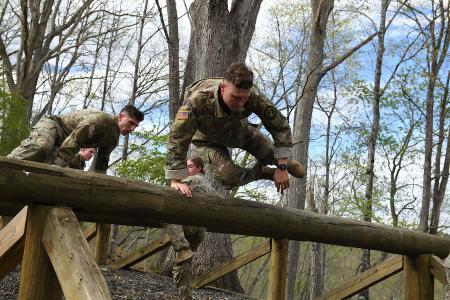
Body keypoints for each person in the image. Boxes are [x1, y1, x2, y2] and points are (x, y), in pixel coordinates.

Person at [166, 62, 305, 197]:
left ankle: (285, 162)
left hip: (239, 131)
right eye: (236, 97)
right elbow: (178, 137)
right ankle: (261, 172)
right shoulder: (196, 102)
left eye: (245, 98)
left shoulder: (254, 97)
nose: (241, 103)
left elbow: (279, 125)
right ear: (223, 88)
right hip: (207, 141)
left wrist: (282, 167)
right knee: (229, 176)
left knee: (271, 154)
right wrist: (176, 180)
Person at [8, 105, 144, 173]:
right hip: (55, 126)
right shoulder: (99, 121)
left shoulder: (113, 139)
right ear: (120, 117)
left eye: (135, 126)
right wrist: (53, 171)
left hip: (64, 140)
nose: (132, 128)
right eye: (131, 123)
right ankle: (6, 166)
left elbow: (101, 166)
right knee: (42, 147)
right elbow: (72, 143)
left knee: (47, 163)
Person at [167, 156, 212, 300]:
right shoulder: (210, 186)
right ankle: (186, 297)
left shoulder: (195, 180)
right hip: (201, 230)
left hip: (189, 225)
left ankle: (181, 247)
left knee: (162, 210)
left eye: (190, 166)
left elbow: (171, 193)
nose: (187, 169)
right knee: (184, 262)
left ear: (199, 168)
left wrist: (174, 183)